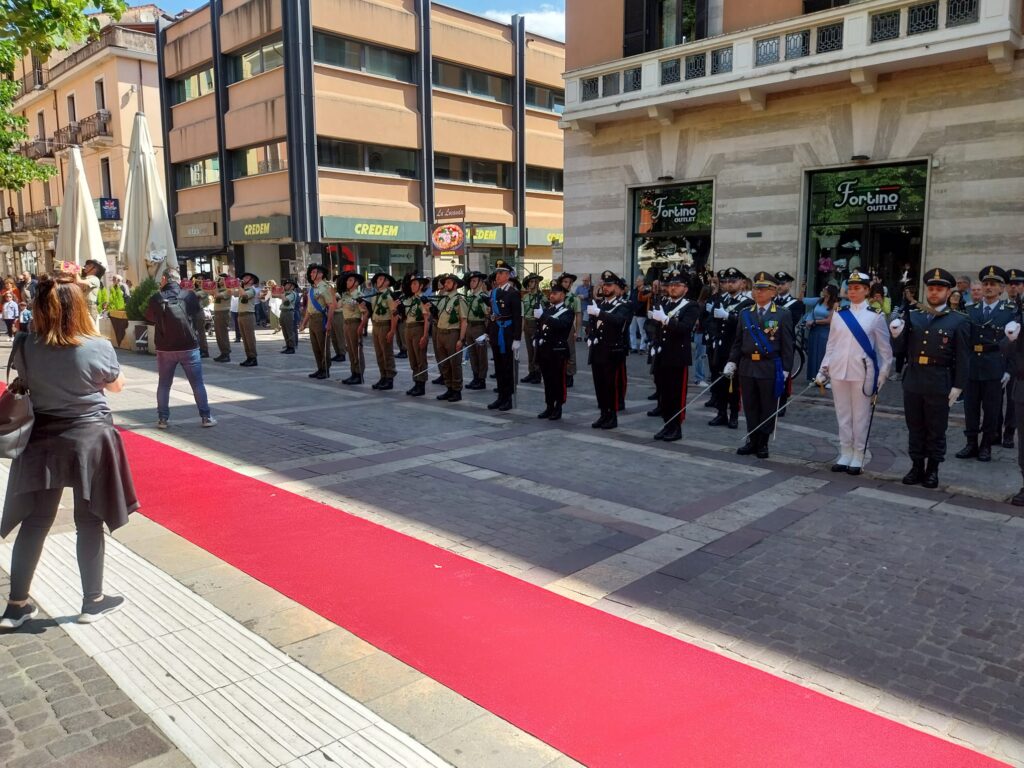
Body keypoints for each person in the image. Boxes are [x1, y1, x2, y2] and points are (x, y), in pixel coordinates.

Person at [0, 274, 136, 629]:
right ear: (79, 309)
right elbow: (117, 386)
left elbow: (24, 382)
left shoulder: (26, 344)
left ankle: (16, 605)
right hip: (89, 438)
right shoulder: (96, 345)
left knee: (35, 521)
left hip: (41, 437)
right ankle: (92, 601)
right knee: (88, 520)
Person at [889, 268, 970, 489]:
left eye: (939, 289)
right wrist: (896, 335)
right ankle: (916, 466)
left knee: (936, 429)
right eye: (931, 289)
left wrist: (958, 386)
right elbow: (900, 350)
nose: (934, 293)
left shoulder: (958, 320)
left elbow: (963, 357)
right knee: (915, 426)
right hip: (914, 378)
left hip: (939, 380)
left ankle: (933, 470)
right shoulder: (914, 315)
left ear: (948, 292)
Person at [814, 271, 892, 474]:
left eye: (858, 288)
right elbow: (831, 345)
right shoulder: (840, 314)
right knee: (843, 415)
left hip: (863, 372)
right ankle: (845, 452)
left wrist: (883, 374)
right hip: (839, 370)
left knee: (860, 416)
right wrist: (824, 368)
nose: (853, 291)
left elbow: (885, 351)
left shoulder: (875, 317)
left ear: (867, 290)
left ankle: (859, 454)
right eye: (850, 288)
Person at [725, 271, 795, 459]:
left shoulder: (782, 314)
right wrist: (732, 361)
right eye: (756, 288)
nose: (759, 293)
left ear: (773, 292)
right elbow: (738, 342)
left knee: (768, 406)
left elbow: (788, 345)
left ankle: (763, 442)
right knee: (750, 405)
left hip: (769, 367)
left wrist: (787, 369)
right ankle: (752, 439)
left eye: (764, 289)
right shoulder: (745, 313)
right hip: (747, 366)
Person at [955, 266, 1014, 462]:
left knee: (991, 409)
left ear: (1001, 289)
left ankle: (986, 445)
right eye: (986, 284)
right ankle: (971, 442)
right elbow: (963, 342)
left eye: (993, 284)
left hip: (995, 364)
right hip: (973, 364)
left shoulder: (1009, 312)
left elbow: (1014, 344)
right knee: (970, 407)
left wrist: (1008, 369)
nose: (988, 287)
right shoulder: (971, 310)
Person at [145, 269, 216, 429]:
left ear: (164, 279)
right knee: (197, 383)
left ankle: (163, 419)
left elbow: (149, 317)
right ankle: (206, 417)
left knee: (164, 384)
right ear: (178, 280)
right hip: (188, 346)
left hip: (165, 347)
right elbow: (197, 314)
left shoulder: (156, 297)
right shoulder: (188, 295)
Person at [647, 269, 701, 442]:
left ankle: (676, 427)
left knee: (676, 394)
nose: (673, 288)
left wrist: (666, 320)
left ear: (685, 288)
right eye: (671, 285)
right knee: (663, 392)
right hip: (662, 354)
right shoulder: (664, 303)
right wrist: (654, 342)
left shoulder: (691, 305)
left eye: (677, 285)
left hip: (677, 356)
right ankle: (666, 423)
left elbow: (685, 328)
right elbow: (653, 326)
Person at [706, 268, 753, 428]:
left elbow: (746, 323)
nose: (728, 284)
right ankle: (721, 413)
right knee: (719, 383)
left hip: (735, 349)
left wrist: (729, 316)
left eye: (733, 281)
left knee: (733, 384)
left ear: (742, 283)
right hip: (719, 347)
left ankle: (733, 414)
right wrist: (713, 337)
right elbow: (711, 320)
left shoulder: (747, 302)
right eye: (725, 281)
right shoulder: (721, 300)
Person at [586, 270, 632, 429]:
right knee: (599, 384)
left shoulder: (624, 305)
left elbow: (619, 321)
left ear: (618, 288)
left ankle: (612, 416)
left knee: (611, 385)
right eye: (604, 285)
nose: (605, 288)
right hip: (598, 350)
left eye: (609, 285)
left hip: (612, 351)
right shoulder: (600, 304)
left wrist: (600, 313)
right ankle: (603, 414)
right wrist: (591, 336)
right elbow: (593, 325)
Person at [533, 280, 574, 420]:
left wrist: (543, 316)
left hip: (558, 351)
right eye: (551, 293)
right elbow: (540, 327)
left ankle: (558, 407)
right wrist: (536, 337)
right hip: (545, 350)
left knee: (558, 380)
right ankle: (549, 405)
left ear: (562, 295)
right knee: (548, 380)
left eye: (555, 293)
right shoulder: (548, 310)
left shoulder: (568, 312)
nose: (551, 295)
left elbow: (561, 325)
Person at [486, 260, 522, 411]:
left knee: (507, 368)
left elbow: (517, 317)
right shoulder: (494, 292)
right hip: (496, 332)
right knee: (499, 368)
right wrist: (488, 333)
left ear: (507, 275)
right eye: (497, 273)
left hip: (507, 334)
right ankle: (500, 397)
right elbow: (493, 315)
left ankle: (507, 398)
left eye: (501, 273)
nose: (498, 275)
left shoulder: (513, 293)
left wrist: (517, 338)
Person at [432, 273, 468, 402]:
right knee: (444, 363)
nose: (445, 284)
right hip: (440, 333)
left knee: (454, 364)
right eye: (445, 282)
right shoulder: (443, 299)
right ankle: (449, 388)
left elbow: (464, 321)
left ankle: (457, 390)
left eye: (448, 282)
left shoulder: (459, 299)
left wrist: (461, 339)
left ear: (455, 284)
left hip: (452, 334)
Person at [298, 263, 335, 379]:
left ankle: (326, 369)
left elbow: (331, 306)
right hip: (312, 319)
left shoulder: (326, 287)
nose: (312, 274)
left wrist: (329, 323)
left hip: (321, 318)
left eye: (314, 272)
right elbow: (309, 309)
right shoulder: (312, 289)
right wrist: (304, 323)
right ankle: (320, 368)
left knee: (323, 346)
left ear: (321, 274)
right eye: (311, 272)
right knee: (315, 346)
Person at [1002, 269, 1024, 448]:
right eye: (1010, 284)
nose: (1013, 287)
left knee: (1012, 400)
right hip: (997, 358)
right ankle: (993, 432)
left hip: (1016, 362)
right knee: (992, 400)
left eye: (1017, 284)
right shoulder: (1001, 307)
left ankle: (1009, 433)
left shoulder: (1021, 308)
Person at [399, 274, 431, 397]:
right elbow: (405, 316)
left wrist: (424, 336)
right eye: (412, 284)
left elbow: (426, 319)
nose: (412, 286)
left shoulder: (422, 299)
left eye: (415, 284)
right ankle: (416, 381)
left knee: (420, 358)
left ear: (421, 285)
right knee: (412, 358)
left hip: (418, 328)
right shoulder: (409, 299)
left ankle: (421, 384)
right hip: (408, 328)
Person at [336, 271, 368, 385]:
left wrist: (361, 327)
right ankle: (353, 372)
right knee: (350, 349)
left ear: (356, 283)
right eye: (347, 280)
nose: (347, 282)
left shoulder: (359, 295)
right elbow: (336, 306)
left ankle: (359, 374)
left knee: (357, 349)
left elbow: (365, 313)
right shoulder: (345, 295)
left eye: (350, 280)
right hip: (346, 323)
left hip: (355, 322)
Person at [368, 272, 399, 391]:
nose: (378, 281)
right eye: (378, 279)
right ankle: (383, 376)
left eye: (381, 279)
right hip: (376, 325)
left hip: (385, 325)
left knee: (387, 353)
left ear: (387, 282)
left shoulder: (389, 296)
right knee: (379, 353)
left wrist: (392, 330)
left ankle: (389, 377)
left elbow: (394, 314)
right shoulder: (375, 296)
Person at [806, 285, 839, 383]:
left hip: (825, 330)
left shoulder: (835, 304)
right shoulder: (819, 301)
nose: (823, 290)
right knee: (813, 353)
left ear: (830, 292)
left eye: (825, 289)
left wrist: (815, 321)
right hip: (814, 330)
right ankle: (813, 376)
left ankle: (823, 377)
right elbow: (802, 300)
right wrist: (803, 288)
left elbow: (830, 320)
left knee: (822, 353)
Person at [463, 271, 490, 390]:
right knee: (472, 354)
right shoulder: (469, 296)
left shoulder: (483, 297)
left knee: (481, 355)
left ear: (480, 282)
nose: (471, 283)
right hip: (469, 326)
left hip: (479, 327)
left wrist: (487, 332)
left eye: (474, 281)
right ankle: (475, 377)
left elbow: (487, 314)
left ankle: (481, 379)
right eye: (471, 281)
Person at [519, 273, 544, 385]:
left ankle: (538, 374)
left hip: (536, 324)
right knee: (530, 351)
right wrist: (522, 328)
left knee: (536, 351)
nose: (533, 283)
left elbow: (545, 313)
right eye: (531, 281)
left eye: (535, 281)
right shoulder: (525, 297)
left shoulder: (542, 297)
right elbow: (523, 314)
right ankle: (531, 372)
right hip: (527, 324)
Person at [561, 272, 582, 387]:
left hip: (569, 329)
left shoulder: (574, 298)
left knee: (570, 353)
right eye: (565, 282)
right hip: (557, 328)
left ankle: (569, 375)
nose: (568, 284)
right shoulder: (556, 295)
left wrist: (577, 332)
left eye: (570, 282)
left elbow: (578, 315)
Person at [234, 272, 260, 367]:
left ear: (251, 280)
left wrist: (238, 286)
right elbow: (233, 293)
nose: (244, 278)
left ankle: (253, 358)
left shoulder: (252, 290)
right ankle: (248, 357)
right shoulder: (242, 289)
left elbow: (244, 295)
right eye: (244, 277)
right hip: (241, 315)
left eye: (247, 277)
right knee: (244, 338)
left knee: (249, 338)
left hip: (248, 315)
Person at [211, 274, 232, 362]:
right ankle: (223, 352)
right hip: (217, 312)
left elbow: (217, 295)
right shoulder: (219, 289)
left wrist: (215, 284)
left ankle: (226, 353)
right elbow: (210, 293)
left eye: (221, 279)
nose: (219, 281)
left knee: (223, 334)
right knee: (219, 335)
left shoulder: (228, 290)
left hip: (223, 313)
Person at [190, 275, 211, 359]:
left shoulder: (204, 289)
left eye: (201, 279)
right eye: (198, 279)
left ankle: (204, 350)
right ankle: (196, 349)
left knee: (201, 332)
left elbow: (195, 295)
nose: (199, 281)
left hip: (199, 312)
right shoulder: (193, 289)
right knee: (193, 332)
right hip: (191, 312)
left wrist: (190, 288)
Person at [628, 276, 650, 352]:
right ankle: (633, 347)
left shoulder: (646, 290)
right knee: (632, 330)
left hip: (641, 313)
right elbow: (630, 300)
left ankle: (642, 347)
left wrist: (636, 309)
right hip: (633, 313)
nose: (636, 282)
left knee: (642, 331)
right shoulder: (634, 290)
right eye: (636, 280)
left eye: (638, 281)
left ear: (643, 282)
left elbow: (643, 302)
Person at [279, 278, 299, 354]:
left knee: (289, 331)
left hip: (289, 312)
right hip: (283, 312)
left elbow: (286, 300)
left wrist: (281, 294)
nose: (285, 286)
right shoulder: (286, 293)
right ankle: (288, 346)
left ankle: (291, 347)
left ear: (292, 286)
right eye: (286, 284)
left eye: (288, 285)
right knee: (284, 331)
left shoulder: (292, 294)